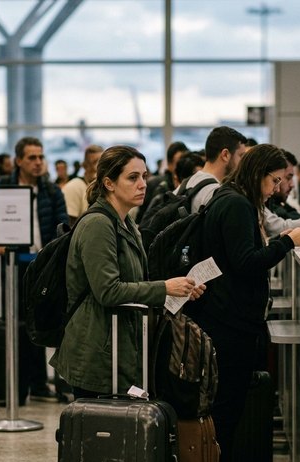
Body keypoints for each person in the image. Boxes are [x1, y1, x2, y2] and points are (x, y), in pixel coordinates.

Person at [191, 144, 300, 462]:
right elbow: (245, 263)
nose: (277, 189)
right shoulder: (236, 205)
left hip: (227, 318)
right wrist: (287, 242)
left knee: (228, 410)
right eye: (274, 180)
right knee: (227, 412)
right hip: (230, 323)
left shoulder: (233, 199)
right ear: (257, 174)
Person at [50, 145, 205, 398]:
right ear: (109, 183)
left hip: (119, 348)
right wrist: (164, 288)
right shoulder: (98, 224)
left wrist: (178, 289)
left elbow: (135, 282)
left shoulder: (126, 221)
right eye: (132, 178)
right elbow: (108, 291)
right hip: (97, 350)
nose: (143, 184)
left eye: (144, 176)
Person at [0, 136, 68, 403]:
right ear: (18, 161)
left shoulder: (52, 191)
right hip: (9, 267)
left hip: (42, 268)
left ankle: (40, 383)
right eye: (32, 157)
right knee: (13, 323)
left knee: (40, 324)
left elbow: (62, 226)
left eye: (41, 157)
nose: (38, 162)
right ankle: (15, 384)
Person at [175, 126, 248, 215]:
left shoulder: (187, 183)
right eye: (241, 156)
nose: (243, 163)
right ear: (225, 155)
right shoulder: (214, 193)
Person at [136, 141, 188, 222]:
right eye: (179, 162)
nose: (183, 166)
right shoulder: (155, 184)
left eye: (185, 162)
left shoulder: (189, 185)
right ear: (169, 164)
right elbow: (143, 216)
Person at [62, 144, 103, 224]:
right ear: (85, 166)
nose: (100, 167)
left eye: (102, 162)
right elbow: (69, 225)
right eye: (95, 162)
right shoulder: (74, 187)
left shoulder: (106, 187)